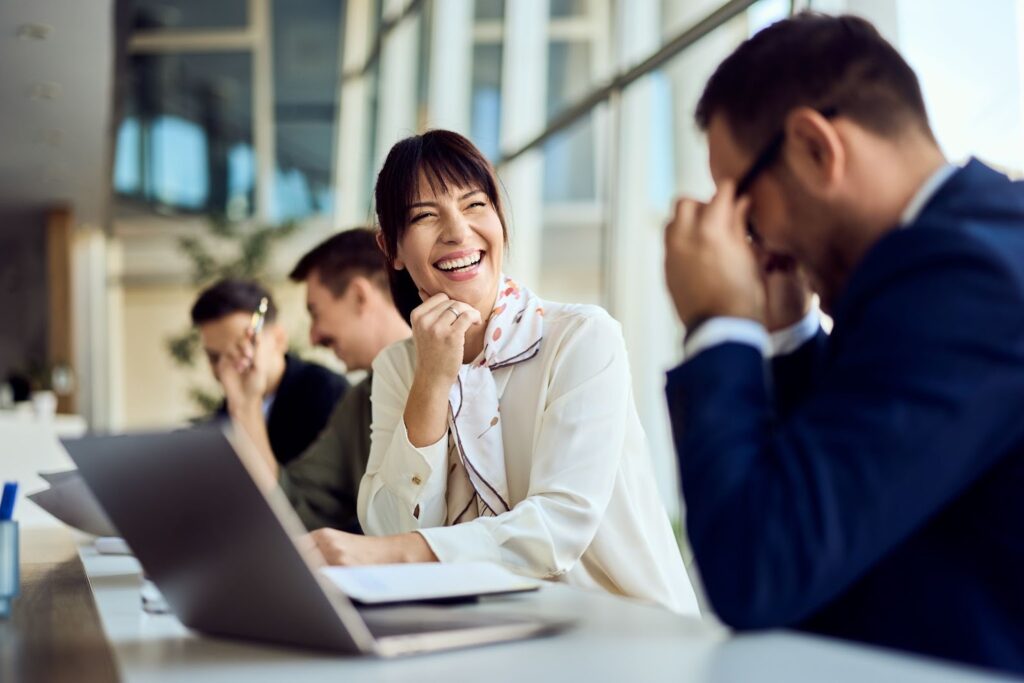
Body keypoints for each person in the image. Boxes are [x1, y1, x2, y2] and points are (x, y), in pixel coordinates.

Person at [662, 13, 1024, 673]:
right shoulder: (964, 247)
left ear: (814, 147)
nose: (753, 243)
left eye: (742, 205)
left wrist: (718, 321)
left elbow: (757, 567)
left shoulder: (966, 278)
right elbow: (844, 500)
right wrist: (789, 332)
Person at [305, 130, 699, 616]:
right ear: (393, 249)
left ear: (500, 220)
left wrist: (388, 554)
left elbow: (557, 528)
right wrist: (431, 379)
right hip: (496, 634)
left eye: (475, 205)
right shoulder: (399, 366)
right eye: (426, 215)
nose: (457, 231)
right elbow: (388, 525)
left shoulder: (581, 338)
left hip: (627, 635)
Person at [217, 229, 411, 532]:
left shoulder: (469, 376)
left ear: (359, 296)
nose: (313, 336)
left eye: (315, 312)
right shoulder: (359, 402)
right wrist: (246, 405)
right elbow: (291, 506)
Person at [192, 278, 347, 466]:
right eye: (215, 358)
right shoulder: (224, 414)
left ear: (279, 340)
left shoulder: (328, 394)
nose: (227, 370)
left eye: (240, 351)